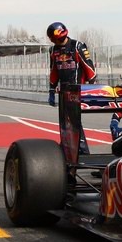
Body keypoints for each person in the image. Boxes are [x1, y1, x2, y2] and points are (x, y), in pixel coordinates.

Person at [47, 21, 96, 154]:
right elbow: (54, 70)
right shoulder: (53, 50)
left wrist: (92, 89)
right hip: (63, 91)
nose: (54, 41)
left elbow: (89, 68)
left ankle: (83, 151)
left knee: (74, 122)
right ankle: (66, 146)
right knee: (64, 122)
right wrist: (51, 89)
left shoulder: (77, 46)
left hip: (76, 90)